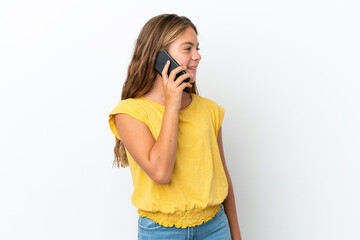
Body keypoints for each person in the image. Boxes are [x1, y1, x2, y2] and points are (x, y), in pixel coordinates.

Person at [108, 13, 242, 240]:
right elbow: (161, 172)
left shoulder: (210, 110)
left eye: (197, 48)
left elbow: (223, 178)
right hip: (161, 232)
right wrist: (172, 105)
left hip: (216, 228)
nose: (197, 56)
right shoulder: (129, 113)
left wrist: (236, 236)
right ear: (160, 56)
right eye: (187, 48)